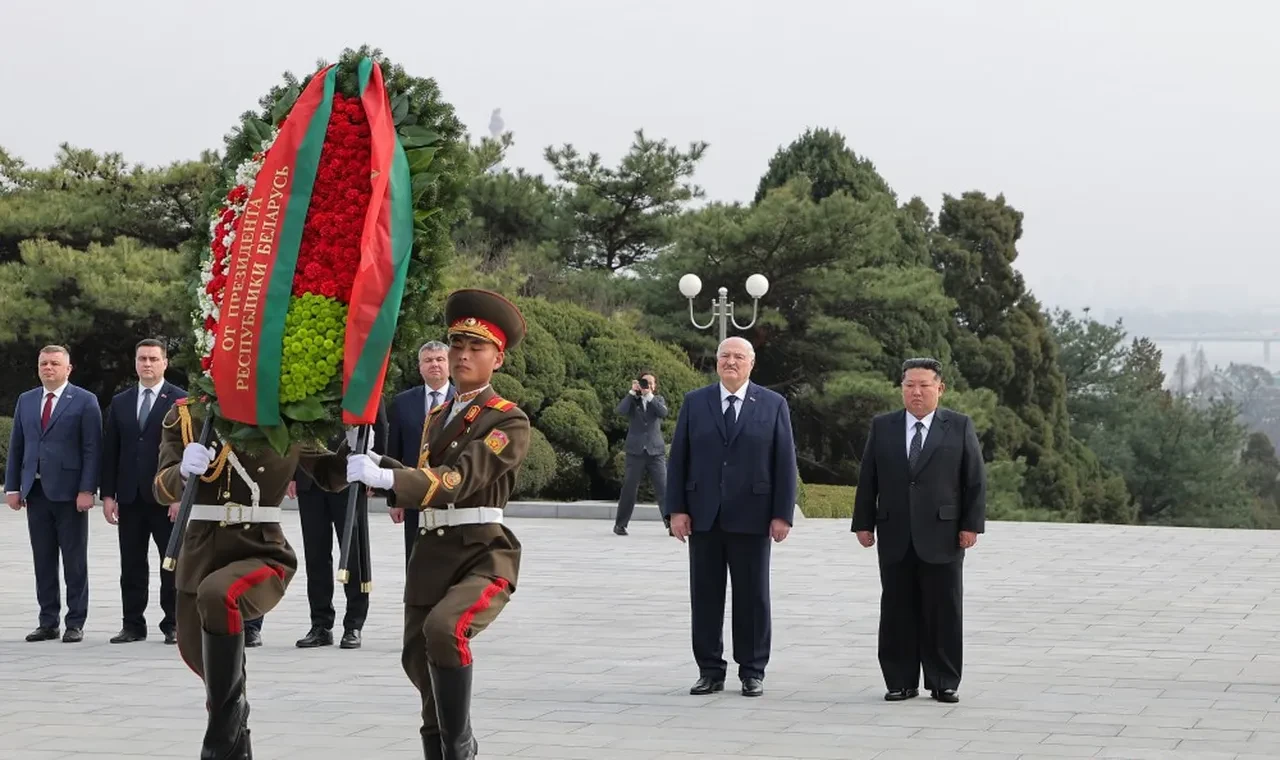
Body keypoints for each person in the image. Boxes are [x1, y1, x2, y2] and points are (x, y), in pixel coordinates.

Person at [345, 288, 530, 760]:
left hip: (481, 552)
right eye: (457, 345)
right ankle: (442, 746)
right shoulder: (436, 414)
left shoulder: (508, 421)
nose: (463, 355)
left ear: (498, 359)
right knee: (419, 661)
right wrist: (371, 461)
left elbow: (459, 478)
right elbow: (425, 472)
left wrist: (388, 476)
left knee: (446, 631)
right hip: (431, 556)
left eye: (477, 348)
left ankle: (460, 742)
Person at [153, 398, 350, 757]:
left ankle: (217, 744)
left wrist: (356, 450)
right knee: (210, 670)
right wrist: (181, 471)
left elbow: (329, 473)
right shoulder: (186, 414)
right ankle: (236, 740)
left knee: (219, 595)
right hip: (201, 551)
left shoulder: (288, 415)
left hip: (260, 548)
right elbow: (161, 487)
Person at [664, 336, 797, 698]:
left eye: (739, 357)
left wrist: (782, 514)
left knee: (753, 598)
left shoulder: (773, 404)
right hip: (704, 517)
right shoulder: (696, 402)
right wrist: (676, 509)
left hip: (753, 517)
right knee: (705, 596)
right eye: (725, 356)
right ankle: (709, 670)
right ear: (717, 362)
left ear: (751, 363)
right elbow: (679, 459)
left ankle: (752, 670)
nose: (731, 362)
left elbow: (785, 462)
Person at [851, 357, 986, 704]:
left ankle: (944, 680)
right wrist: (863, 523)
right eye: (909, 385)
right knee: (896, 608)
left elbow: (974, 480)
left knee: (943, 609)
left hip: (943, 533)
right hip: (895, 531)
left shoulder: (958, 426)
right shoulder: (883, 426)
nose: (916, 392)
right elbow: (869, 478)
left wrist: (971, 525)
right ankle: (900, 680)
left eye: (924, 385)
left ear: (939, 388)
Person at [5, 345, 102, 644]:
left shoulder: (85, 401)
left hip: (71, 494)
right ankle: (47, 621)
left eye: (55, 364)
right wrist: (12, 486)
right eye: (44, 363)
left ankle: (75, 621)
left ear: (68, 369)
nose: (49, 368)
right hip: (35, 492)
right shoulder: (27, 400)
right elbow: (17, 445)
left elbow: (92, 448)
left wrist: (87, 489)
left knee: (74, 560)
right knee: (43, 560)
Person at [100, 338, 185, 645]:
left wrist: (179, 495)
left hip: (166, 497)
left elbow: (186, 452)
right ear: (135, 363)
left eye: (153, 358)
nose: (147, 364)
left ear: (165, 363)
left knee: (171, 563)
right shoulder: (121, 402)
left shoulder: (181, 401)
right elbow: (112, 451)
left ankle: (173, 623)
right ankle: (132, 624)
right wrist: (108, 495)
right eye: (141, 359)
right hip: (130, 496)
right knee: (132, 564)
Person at [293, 399, 388, 650]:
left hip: (349, 476)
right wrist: (292, 473)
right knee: (315, 555)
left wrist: (374, 473)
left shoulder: (359, 381)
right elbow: (293, 427)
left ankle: (354, 624)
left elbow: (379, 426)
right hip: (309, 479)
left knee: (353, 552)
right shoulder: (308, 377)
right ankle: (321, 624)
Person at [387, 340, 454, 560]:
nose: (434, 364)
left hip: (451, 493)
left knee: (448, 558)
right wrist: (395, 499)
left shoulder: (465, 401)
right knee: (415, 557)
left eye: (440, 359)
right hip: (415, 492)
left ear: (449, 364)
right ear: (420, 367)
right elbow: (393, 453)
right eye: (428, 360)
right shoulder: (402, 403)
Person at [613, 370, 668, 536]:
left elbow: (663, 413)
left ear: (655, 386)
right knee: (629, 487)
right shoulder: (632, 401)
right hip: (635, 451)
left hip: (655, 451)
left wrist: (648, 395)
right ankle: (620, 524)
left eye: (651, 383)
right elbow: (620, 411)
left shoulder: (657, 400)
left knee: (663, 488)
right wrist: (632, 392)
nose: (648, 386)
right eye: (645, 382)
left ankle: (671, 524)